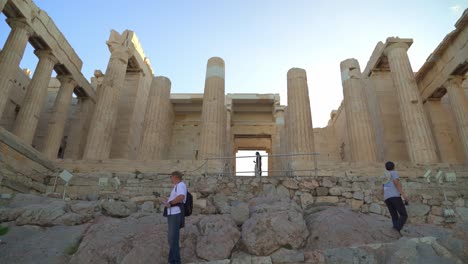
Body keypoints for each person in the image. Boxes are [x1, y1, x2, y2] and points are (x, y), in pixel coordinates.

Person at [164, 171, 187, 264]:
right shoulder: (176, 186)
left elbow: (181, 197)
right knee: (171, 239)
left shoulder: (180, 185)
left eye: (171, 177)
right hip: (172, 213)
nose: (170, 179)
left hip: (175, 214)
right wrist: (166, 201)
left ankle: (176, 261)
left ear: (175, 177)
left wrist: (170, 203)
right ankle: (172, 260)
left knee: (173, 238)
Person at [382, 161, 408, 234]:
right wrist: (404, 195)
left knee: (394, 215)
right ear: (393, 167)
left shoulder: (385, 175)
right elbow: (396, 183)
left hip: (387, 197)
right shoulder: (393, 173)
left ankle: (395, 232)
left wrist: (384, 196)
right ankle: (396, 229)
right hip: (394, 196)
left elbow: (383, 186)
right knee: (404, 215)